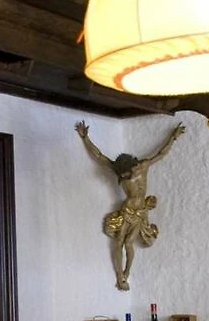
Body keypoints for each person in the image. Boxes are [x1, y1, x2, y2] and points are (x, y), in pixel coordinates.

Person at [76, 120, 185, 290]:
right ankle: (120, 276)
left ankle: (127, 271)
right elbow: (99, 156)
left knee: (129, 243)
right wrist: (85, 138)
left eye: (128, 174)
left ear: (133, 166)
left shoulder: (144, 165)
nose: (126, 177)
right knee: (119, 241)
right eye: (123, 176)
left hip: (140, 211)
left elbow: (161, 153)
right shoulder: (119, 170)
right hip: (127, 210)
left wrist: (173, 137)